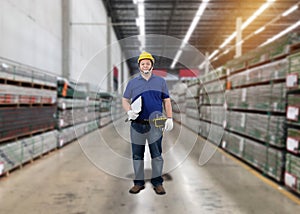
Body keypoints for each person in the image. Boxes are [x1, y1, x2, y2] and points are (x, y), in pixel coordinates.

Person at [122, 51, 173, 195]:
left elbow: (166, 101)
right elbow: (125, 100)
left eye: (148, 63)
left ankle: (157, 183)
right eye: (143, 63)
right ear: (139, 66)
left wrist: (169, 117)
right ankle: (138, 183)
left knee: (156, 155)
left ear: (152, 65)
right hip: (137, 124)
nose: (145, 65)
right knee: (137, 155)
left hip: (155, 124)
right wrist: (129, 111)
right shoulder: (133, 83)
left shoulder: (160, 82)